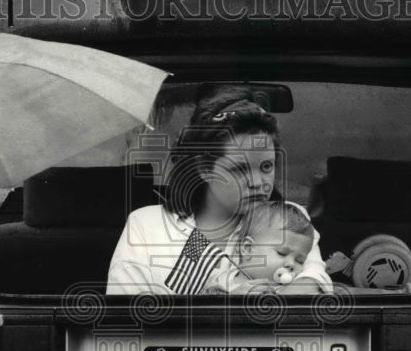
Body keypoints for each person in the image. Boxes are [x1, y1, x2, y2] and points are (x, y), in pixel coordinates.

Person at [106, 86, 332, 295]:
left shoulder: (288, 218)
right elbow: (124, 318)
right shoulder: (147, 225)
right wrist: (226, 309)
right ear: (205, 168)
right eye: (240, 168)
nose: (258, 182)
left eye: (266, 166)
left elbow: (312, 282)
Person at [204, 201, 315, 294]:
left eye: (300, 261)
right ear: (248, 248)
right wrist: (233, 300)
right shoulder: (219, 283)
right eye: (282, 253)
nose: (291, 264)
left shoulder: (291, 292)